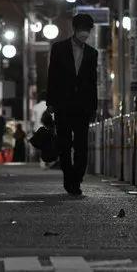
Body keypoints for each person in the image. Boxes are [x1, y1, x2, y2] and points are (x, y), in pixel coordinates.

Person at [47, 13, 98, 196]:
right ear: (75, 29)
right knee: (64, 144)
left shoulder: (92, 53)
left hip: (83, 106)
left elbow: (93, 82)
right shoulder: (59, 48)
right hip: (63, 104)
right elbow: (52, 75)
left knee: (81, 145)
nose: (85, 33)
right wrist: (50, 102)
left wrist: (93, 107)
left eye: (88, 30)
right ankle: (69, 178)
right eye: (83, 29)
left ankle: (77, 177)